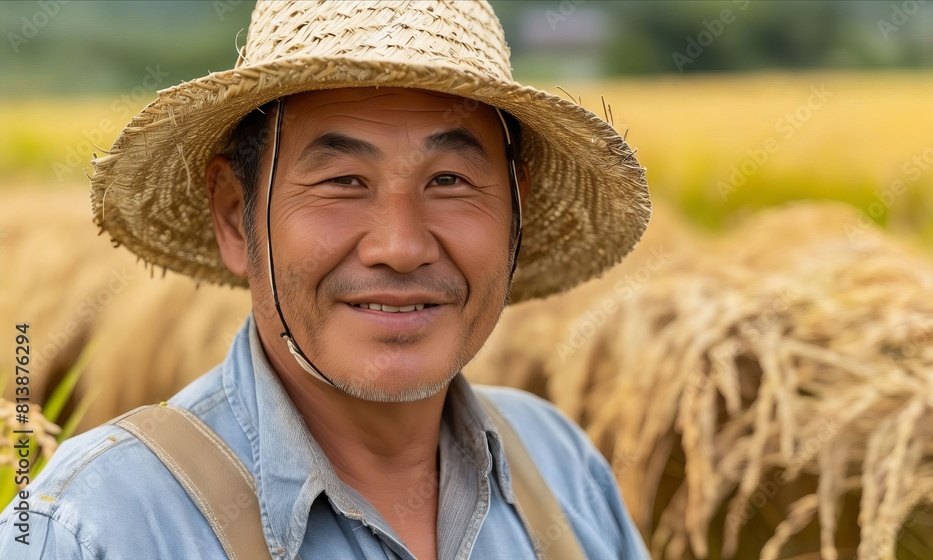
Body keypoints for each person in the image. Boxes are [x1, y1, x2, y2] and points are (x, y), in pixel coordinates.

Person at [0, 1, 651, 558]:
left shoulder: (560, 468)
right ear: (234, 215)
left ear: (518, 209)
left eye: (449, 181)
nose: (400, 246)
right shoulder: (96, 527)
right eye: (343, 182)